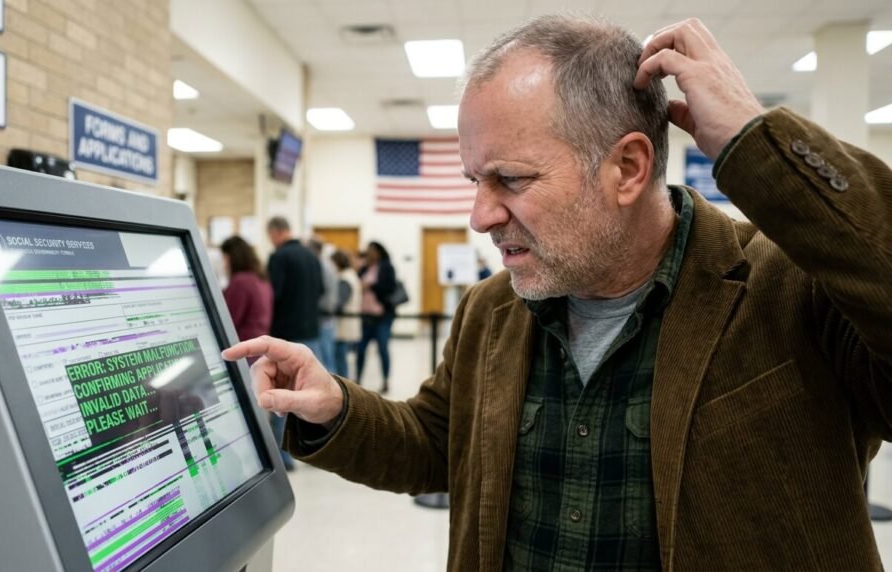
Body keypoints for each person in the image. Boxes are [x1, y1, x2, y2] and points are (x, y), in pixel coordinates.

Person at [224, 15, 892, 570]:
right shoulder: (494, 310)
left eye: (510, 179)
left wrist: (757, 142)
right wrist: (336, 407)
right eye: (473, 181)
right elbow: (436, 443)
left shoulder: (789, 289)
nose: (480, 215)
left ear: (628, 167)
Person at [264, 216, 323, 470]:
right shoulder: (312, 256)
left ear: (276, 233)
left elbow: (273, 295)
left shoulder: (279, 258)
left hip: (287, 333)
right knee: (313, 392)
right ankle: (315, 448)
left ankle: (285, 456)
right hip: (312, 332)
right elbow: (320, 290)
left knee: (283, 397)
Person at [355, 241, 397, 393]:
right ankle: (357, 379)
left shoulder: (386, 268)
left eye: (371, 251)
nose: (368, 253)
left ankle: (385, 380)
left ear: (378, 252)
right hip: (366, 316)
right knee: (360, 349)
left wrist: (371, 286)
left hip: (382, 316)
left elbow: (388, 288)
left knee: (382, 348)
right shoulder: (365, 268)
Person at [220, 236, 272, 345]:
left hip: (244, 346)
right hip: (260, 345)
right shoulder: (261, 279)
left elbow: (229, 321)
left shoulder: (240, 281)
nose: (224, 263)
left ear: (232, 257)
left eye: (224, 257)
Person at [307, 237, 339, 373]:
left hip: (323, 315)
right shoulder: (327, 264)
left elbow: (321, 290)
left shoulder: (321, 265)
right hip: (326, 316)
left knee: (324, 359)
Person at [330, 249, 362, 379]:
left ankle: (342, 385)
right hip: (347, 325)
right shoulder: (351, 275)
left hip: (343, 326)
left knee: (340, 359)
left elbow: (339, 302)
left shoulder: (345, 279)